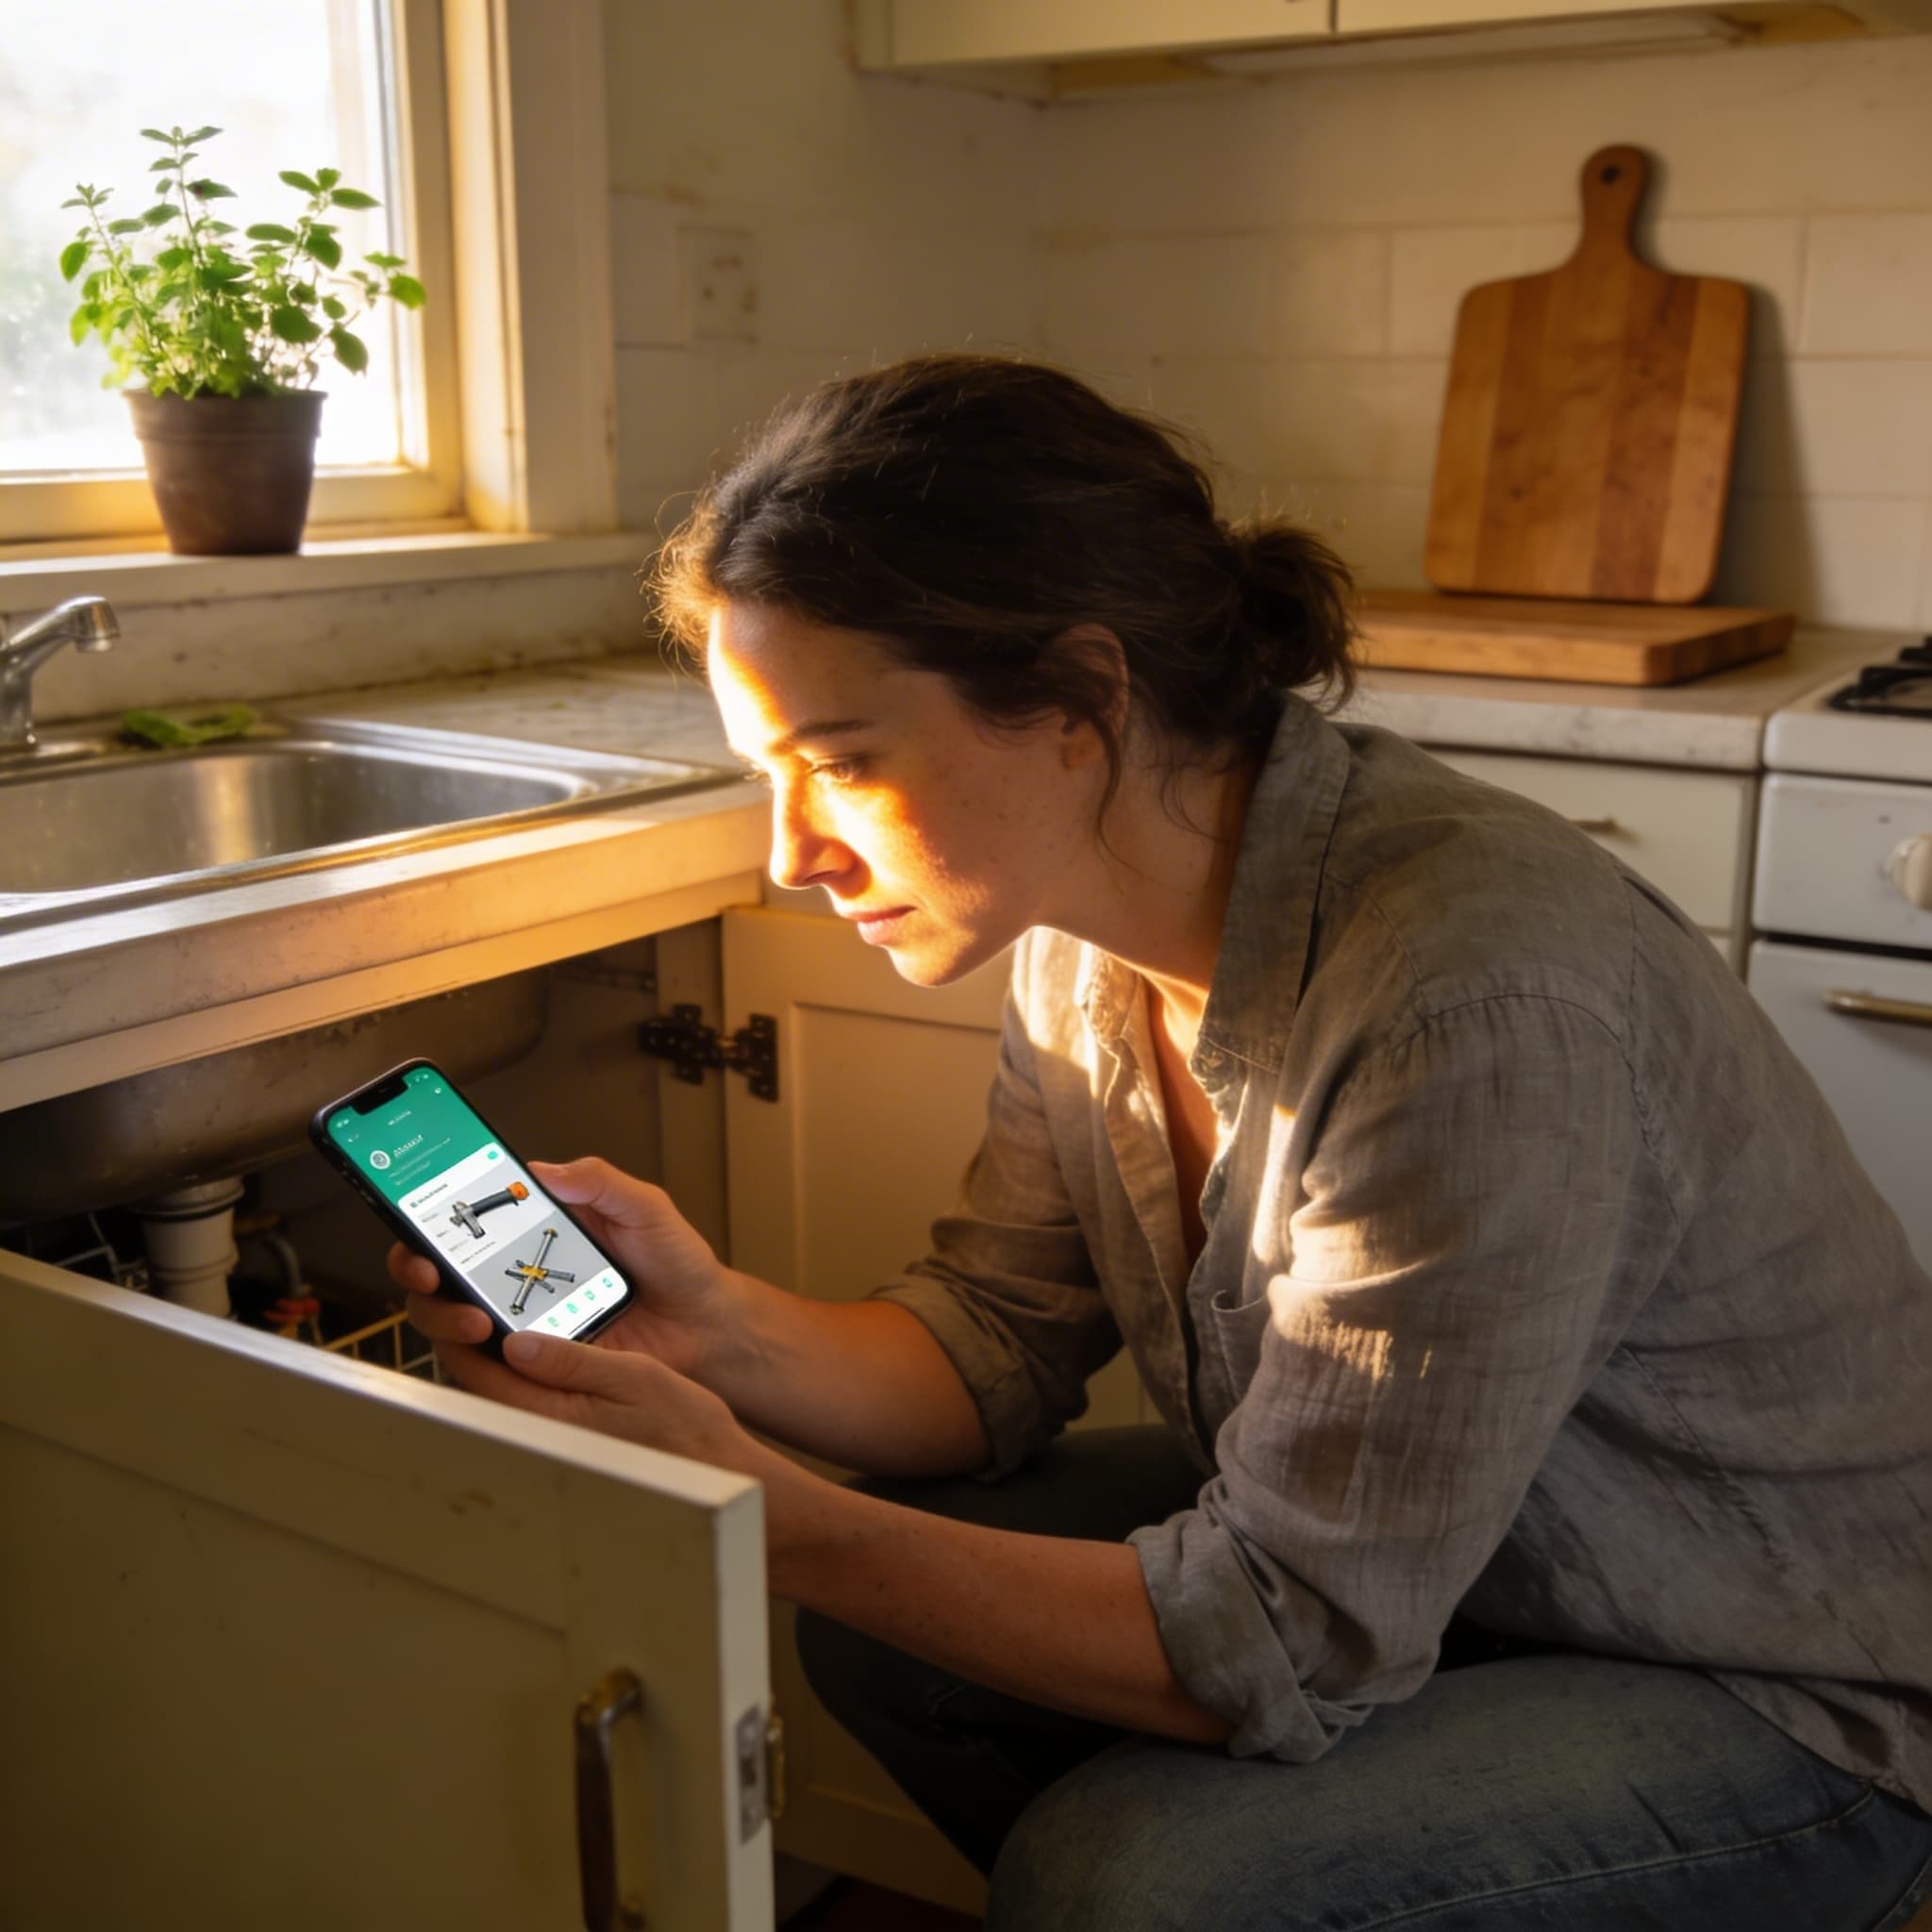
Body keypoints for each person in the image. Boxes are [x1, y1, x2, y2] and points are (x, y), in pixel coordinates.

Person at [392, 355, 1932, 1928]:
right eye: (767, 774)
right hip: (1467, 1577)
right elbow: (994, 1339)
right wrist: (713, 1331)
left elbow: (1293, 1627)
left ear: (1081, 699)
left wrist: (760, 1513)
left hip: (1771, 1672)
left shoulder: (1465, 998)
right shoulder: (1081, 932)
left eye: (842, 764)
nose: (792, 858)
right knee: (883, 1637)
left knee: (1133, 1881)